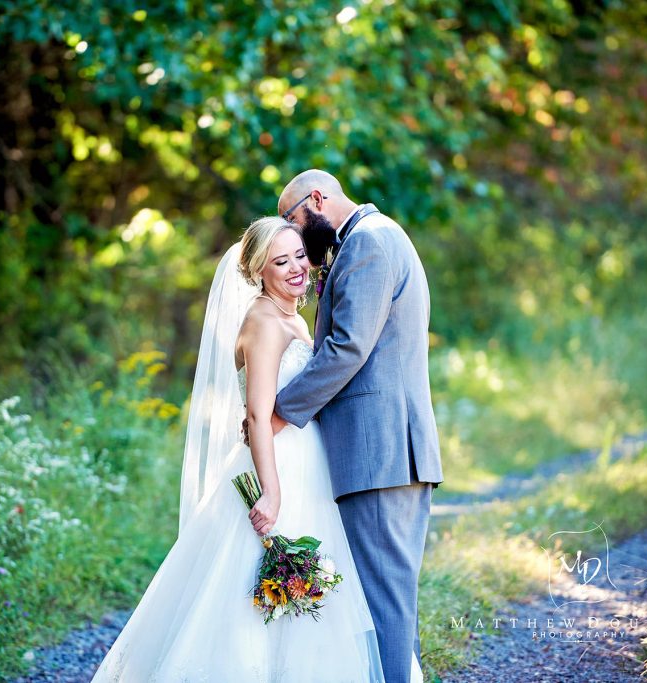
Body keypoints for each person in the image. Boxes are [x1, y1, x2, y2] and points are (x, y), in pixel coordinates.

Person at [90, 217, 422, 682]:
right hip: (279, 467)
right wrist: (271, 491)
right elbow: (257, 417)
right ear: (258, 271)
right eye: (280, 262)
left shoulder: (292, 318)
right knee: (255, 590)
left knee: (313, 589)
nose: (296, 268)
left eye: (299, 256)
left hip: (309, 465)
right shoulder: (264, 322)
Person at [267, 170, 444, 683]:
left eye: (294, 221)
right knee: (386, 598)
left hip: (380, 451)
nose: (295, 236)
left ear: (317, 199)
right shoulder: (367, 239)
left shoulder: (369, 242)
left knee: (383, 601)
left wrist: (280, 411)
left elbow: (348, 347)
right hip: (383, 450)